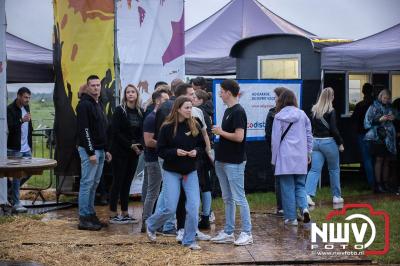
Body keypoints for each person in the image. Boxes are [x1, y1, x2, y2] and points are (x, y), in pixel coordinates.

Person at [146, 96, 204, 250]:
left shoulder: (195, 124)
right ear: (178, 108)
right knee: (170, 208)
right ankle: (151, 224)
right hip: (172, 171)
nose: (189, 110)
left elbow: (202, 146)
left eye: (191, 107)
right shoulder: (167, 127)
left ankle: (189, 240)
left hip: (190, 171)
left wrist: (195, 152)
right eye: (186, 107)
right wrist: (175, 152)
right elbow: (160, 150)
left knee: (193, 207)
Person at [210, 79, 253, 246]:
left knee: (239, 198)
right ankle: (229, 232)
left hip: (234, 162)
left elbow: (239, 137)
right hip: (222, 160)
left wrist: (220, 132)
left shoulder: (238, 111)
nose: (219, 93)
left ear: (228, 92)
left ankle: (247, 232)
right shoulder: (228, 110)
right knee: (227, 198)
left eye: (221, 91)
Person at [271, 89, 313, 226]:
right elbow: (309, 135)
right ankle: (304, 208)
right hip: (301, 155)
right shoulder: (302, 115)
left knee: (287, 187)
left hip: (285, 157)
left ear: (281, 101)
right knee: (300, 185)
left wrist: (274, 159)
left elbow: (275, 140)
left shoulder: (278, 117)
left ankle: (291, 218)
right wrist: (309, 152)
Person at [76, 75, 112, 231]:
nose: (96, 87)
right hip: (89, 150)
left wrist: (106, 149)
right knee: (87, 184)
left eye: (98, 85)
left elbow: (101, 129)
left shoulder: (98, 104)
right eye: (93, 85)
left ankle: (90, 214)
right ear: (88, 87)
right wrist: (90, 151)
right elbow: (85, 130)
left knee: (94, 184)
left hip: (100, 149)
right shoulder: (84, 105)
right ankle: (84, 217)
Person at [108, 84, 143, 224]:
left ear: (137, 94)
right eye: (128, 92)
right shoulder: (119, 110)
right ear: (125, 95)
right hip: (120, 151)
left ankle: (125, 212)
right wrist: (130, 145)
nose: (130, 94)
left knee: (128, 182)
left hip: (134, 153)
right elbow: (115, 132)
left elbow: (142, 131)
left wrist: (139, 146)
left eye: (133, 92)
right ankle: (112, 212)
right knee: (118, 181)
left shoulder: (141, 111)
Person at [305, 87, 344, 206]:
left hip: (316, 142)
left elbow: (312, 129)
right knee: (334, 169)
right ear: (331, 97)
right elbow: (334, 129)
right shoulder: (331, 110)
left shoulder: (314, 110)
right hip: (329, 142)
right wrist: (340, 143)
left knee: (314, 170)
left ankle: (307, 195)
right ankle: (336, 196)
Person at [141, 89, 170, 232]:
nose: (168, 103)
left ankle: (154, 222)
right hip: (152, 159)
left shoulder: (160, 117)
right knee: (152, 192)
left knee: (157, 191)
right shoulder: (151, 118)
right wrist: (166, 144)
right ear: (157, 101)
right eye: (165, 100)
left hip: (158, 158)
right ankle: (146, 222)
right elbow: (148, 141)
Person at [6, 87, 33, 213]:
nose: (28, 100)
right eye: (25, 97)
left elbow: (29, 127)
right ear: (18, 96)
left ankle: (9, 193)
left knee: (31, 171)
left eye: (29, 97)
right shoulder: (10, 109)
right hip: (15, 148)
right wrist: (22, 120)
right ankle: (16, 202)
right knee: (17, 177)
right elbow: (10, 127)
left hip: (26, 147)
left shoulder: (26, 107)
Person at [364, 89, 396, 193]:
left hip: (389, 137)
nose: (386, 100)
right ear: (380, 97)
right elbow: (367, 122)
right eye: (384, 98)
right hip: (378, 136)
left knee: (387, 160)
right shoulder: (374, 107)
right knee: (379, 160)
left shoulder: (390, 107)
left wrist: (393, 117)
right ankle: (378, 185)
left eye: (388, 98)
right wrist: (379, 120)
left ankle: (385, 183)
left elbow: (397, 115)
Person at [264, 87, 287, 216]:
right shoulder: (297, 113)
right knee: (292, 180)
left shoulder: (273, 113)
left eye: (275, 97)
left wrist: (273, 148)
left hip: (277, 151)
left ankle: (281, 207)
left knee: (279, 180)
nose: (274, 99)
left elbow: (268, 134)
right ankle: (292, 208)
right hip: (293, 152)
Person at [193, 89, 214, 229]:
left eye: (194, 96)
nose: (192, 98)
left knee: (199, 186)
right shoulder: (205, 112)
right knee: (205, 185)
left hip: (198, 154)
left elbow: (205, 134)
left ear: (201, 100)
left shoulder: (199, 113)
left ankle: (204, 216)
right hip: (204, 153)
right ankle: (206, 215)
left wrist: (207, 150)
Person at [351, 83, 375, 189]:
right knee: (376, 158)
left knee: (366, 159)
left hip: (362, 134)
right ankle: (378, 181)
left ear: (362, 92)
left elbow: (353, 119)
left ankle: (371, 182)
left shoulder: (359, 105)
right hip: (374, 134)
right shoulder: (375, 104)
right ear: (373, 92)